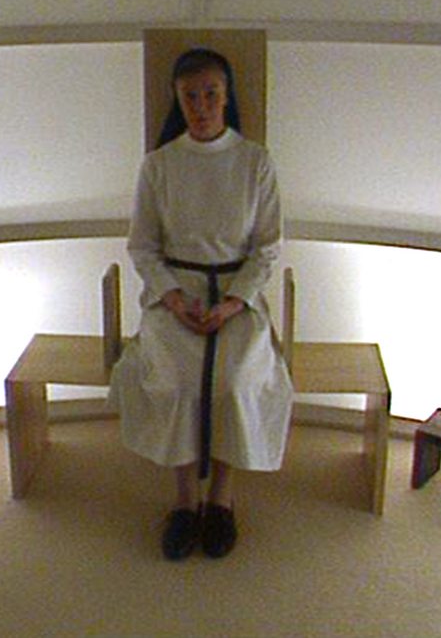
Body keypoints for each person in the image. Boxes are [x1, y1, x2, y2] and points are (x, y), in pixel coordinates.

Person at [108, 47, 294, 561]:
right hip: (175, 296)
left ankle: (222, 501)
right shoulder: (159, 166)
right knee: (176, 381)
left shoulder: (255, 162)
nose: (202, 105)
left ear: (226, 95)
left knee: (235, 380)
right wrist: (173, 298)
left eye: (211, 93)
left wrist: (233, 303)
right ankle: (185, 502)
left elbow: (267, 248)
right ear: (178, 100)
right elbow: (143, 247)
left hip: (237, 297)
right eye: (190, 96)